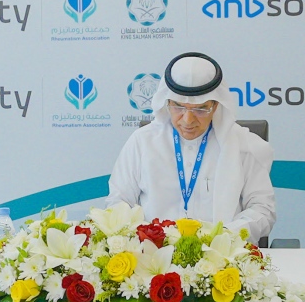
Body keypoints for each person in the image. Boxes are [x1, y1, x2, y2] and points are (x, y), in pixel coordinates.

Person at [106, 52, 276, 244]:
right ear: (167, 103)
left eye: (200, 109)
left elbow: (263, 210)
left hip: (223, 254)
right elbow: (118, 203)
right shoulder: (142, 142)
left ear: (216, 105)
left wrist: (223, 237)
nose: (188, 120)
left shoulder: (243, 146)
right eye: (178, 107)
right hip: (154, 254)